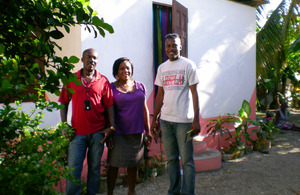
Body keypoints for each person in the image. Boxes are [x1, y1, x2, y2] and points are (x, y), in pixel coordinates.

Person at [59, 48, 115, 195]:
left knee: (95, 169)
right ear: (82, 60)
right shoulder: (71, 79)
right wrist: (64, 124)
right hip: (77, 134)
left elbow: (109, 105)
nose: (92, 60)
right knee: (74, 169)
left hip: (98, 133)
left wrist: (111, 127)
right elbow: (63, 102)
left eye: (95, 58)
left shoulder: (103, 81)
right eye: (89, 57)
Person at [150, 33, 200, 195]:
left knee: (186, 161)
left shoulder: (188, 65)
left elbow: (194, 93)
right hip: (166, 121)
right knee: (171, 159)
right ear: (165, 48)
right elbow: (159, 94)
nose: (171, 48)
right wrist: (154, 118)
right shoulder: (162, 68)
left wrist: (196, 120)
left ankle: (188, 192)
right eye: (168, 46)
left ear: (180, 46)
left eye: (174, 45)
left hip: (184, 121)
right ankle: (173, 191)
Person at [106, 57, 152, 195]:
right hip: (118, 133)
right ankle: (110, 193)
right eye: (122, 68)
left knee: (134, 165)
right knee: (113, 165)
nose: (125, 70)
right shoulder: (111, 87)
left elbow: (145, 109)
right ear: (116, 71)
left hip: (136, 133)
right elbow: (108, 111)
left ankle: (132, 191)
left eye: (128, 68)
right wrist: (109, 134)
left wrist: (148, 131)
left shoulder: (140, 86)